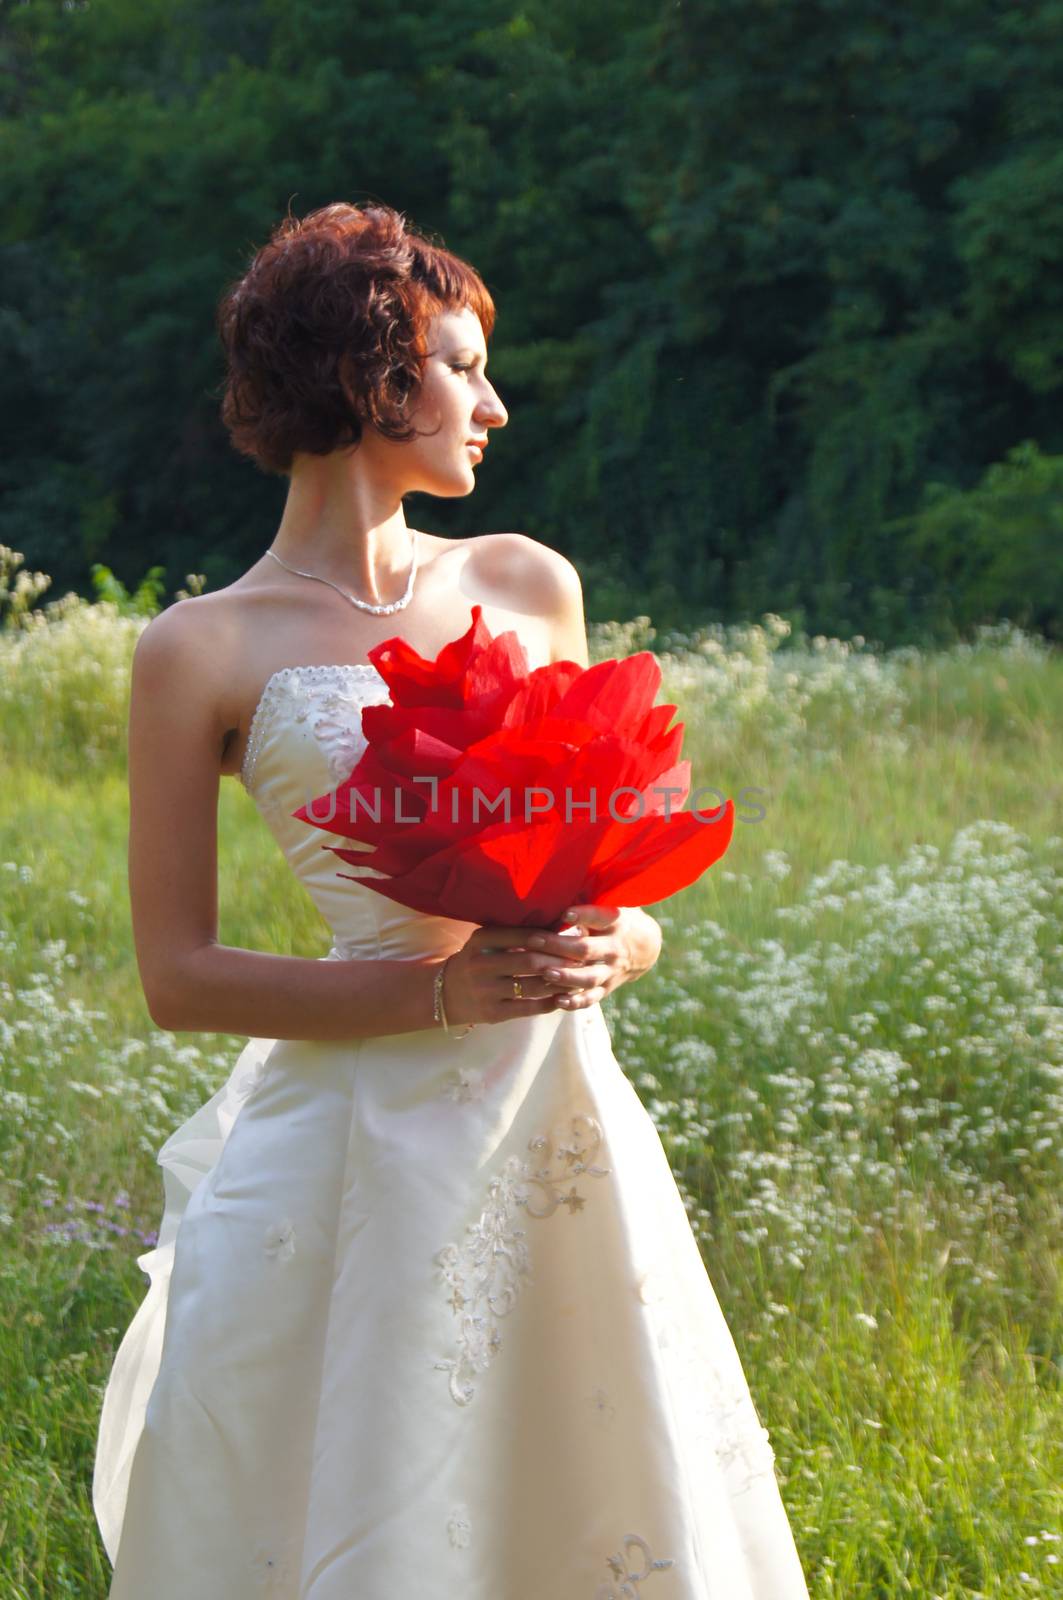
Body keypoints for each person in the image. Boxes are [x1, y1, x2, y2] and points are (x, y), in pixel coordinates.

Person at [92, 201, 810, 1598]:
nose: (493, 403)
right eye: (463, 369)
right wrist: (428, 990)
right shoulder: (200, 649)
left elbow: (631, 876)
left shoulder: (529, 582)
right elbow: (176, 978)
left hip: (556, 1117)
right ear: (373, 380)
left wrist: (621, 938)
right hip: (345, 1141)